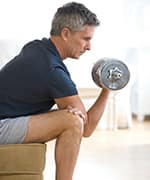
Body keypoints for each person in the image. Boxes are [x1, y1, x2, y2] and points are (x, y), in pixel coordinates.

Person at [0, 2, 110, 180]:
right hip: (2, 125)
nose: (89, 47)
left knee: (71, 117)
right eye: (86, 39)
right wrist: (108, 89)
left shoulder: (36, 47)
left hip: (7, 117)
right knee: (73, 122)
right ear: (66, 33)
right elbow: (86, 128)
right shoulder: (52, 71)